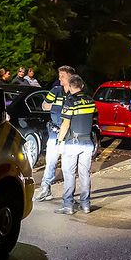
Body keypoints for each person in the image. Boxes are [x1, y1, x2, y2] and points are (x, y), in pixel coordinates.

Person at [56, 74, 97, 214]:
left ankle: (68, 206)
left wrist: (59, 141)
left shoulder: (70, 102)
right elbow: (93, 119)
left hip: (72, 143)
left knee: (69, 174)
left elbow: (65, 124)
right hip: (87, 142)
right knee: (85, 174)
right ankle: (86, 205)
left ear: (71, 86)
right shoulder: (90, 101)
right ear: (82, 86)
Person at [35, 65, 76, 201]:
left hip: (69, 134)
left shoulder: (76, 91)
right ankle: (45, 189)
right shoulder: (56, 90)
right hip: (54, 132)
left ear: (70, 76)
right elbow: (44, 106)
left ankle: (68, 196)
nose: (60, 79)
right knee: (51, 162)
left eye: (62, 76)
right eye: (59, 76)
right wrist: (57, 106)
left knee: (67, 166)